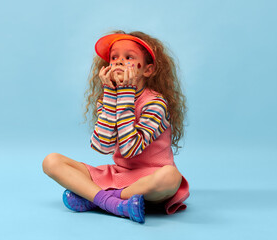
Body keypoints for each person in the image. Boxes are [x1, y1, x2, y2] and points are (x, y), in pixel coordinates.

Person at [42, 30, 189, 223]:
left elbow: (129, 150)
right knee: (51, 161)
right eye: (114, 57)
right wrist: (112, 94)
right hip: (119, 175)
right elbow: (102, 146)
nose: (119, 61)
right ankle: (115, 203)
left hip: (150, 179)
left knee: (171, 176)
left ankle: (97, 199)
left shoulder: (155, 103)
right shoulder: (108, 99)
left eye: (128, 57)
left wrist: (126, 93)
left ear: (148, 70)